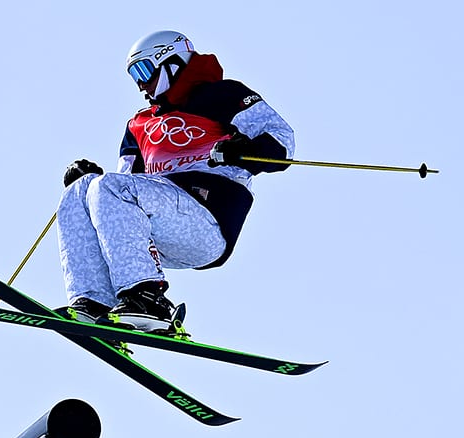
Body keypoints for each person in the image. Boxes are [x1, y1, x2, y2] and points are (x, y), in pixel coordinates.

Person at [57, 30, 295, 332]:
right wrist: (88, 186)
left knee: (106, 187)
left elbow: (282, 140)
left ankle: (148, 300)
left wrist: (245, 149)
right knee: (80, 190)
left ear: (171, 62)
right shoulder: (139, 124)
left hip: (207, 216)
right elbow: (125, 184)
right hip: (161, 228)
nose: (141, 84)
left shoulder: (224, 95)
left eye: (143, 70)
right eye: (134, 76)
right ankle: (95, 303)